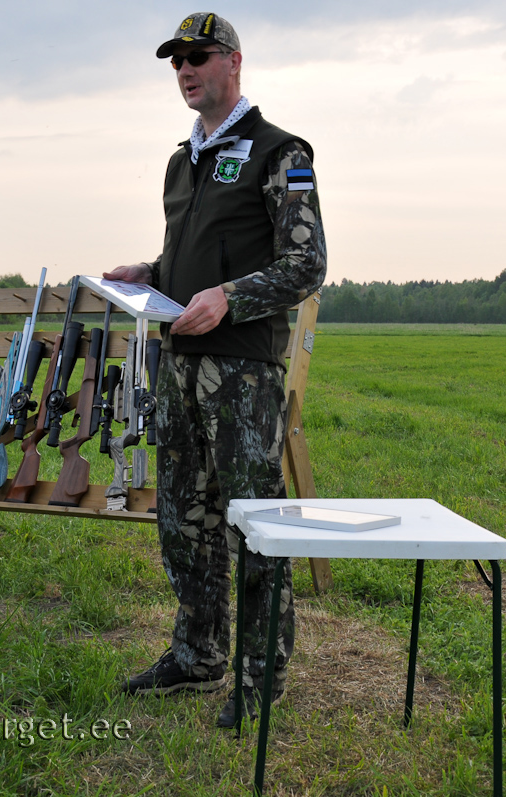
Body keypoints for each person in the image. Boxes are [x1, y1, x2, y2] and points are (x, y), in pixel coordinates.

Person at [103, 11, 326, 727]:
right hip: (179, 364)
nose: (186, 69)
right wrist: (151, 270)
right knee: (182, 521)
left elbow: (305, 265)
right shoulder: (182, 161)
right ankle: (197, 653)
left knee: (252, 527)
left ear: (234, 62)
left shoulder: (279, 152)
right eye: (176, 61)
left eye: (198, 57)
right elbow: (192, 258)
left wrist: (229, 299)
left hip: (242, 374)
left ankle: (261, 679)